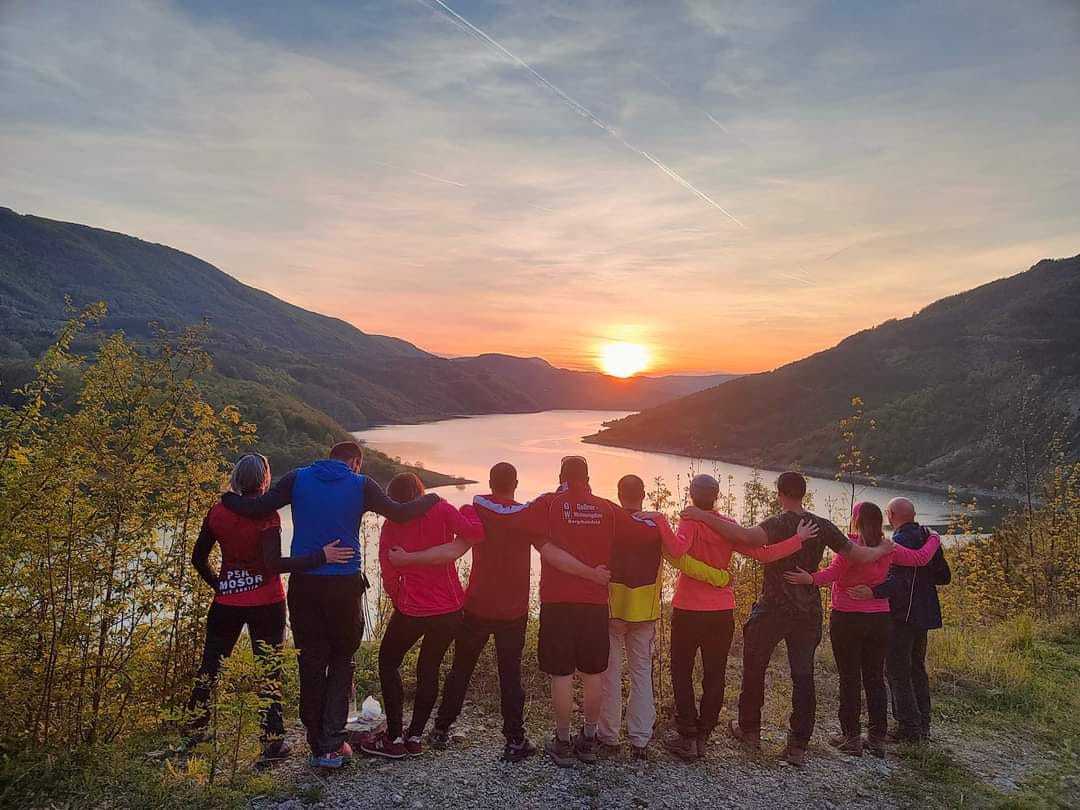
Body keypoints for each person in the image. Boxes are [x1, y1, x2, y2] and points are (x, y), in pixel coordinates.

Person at [221, 441, 440, 769]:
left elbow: (256, 507)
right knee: (341, 660)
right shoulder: (361, 484)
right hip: (343, 588)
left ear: (330, 457)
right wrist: (434, 499)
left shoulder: (297, 478)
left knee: (310, 661)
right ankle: (333, 745)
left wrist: (226, 498)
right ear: (355, 462)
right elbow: (400, 512)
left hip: (305, 586)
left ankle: (316, 743)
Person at [471, 456, 674, 767]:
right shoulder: (606, 508)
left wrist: (476, 502)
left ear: (561, 477)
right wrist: (657, 518)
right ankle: (589, 739)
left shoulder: (549, 503)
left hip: (557, 602)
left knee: (562, 674)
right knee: (594, 673)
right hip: (594, 603)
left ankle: (563, 741)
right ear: (588, 478)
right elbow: (644, 531)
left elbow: (508, 518)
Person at [681, 471, 894, 766]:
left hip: (773, 607)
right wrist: (883, 547)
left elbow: (743, 536)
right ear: (803, 494)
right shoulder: (821, 525)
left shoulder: (778, 523)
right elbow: (858, 555)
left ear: (780, 493)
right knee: (803, 675)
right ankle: (797, 745)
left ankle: (750, 730)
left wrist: (701, 515)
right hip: (807, 611)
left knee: (754, 667)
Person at [187, 453, 355, 760]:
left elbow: (198, 558)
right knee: (268, 671)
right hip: (266, 604)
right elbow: (273, 564)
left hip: (226, 604)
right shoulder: (267, 517)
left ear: (236, 478)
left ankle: (194, 730)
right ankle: (272, 742)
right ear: (264, 480)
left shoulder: (218, 512)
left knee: (210, 666)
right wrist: (320, 557)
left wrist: (221, 585)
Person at [389, 462, 540, 763]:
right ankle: (515, 740)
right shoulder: (527, 516)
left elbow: (452, 552)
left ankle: (441, 729)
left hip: (476, 606)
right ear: (515, 483)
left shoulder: (474, 511)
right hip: (513, 610)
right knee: (510, 675)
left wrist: (408, 559)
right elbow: (550, 548)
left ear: (490, 482)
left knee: (460, 669)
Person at [663, 474, 818, 761]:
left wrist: (659, 524)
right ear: (717, 496)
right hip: (721, 612)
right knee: (715, 673)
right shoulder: (728, 526)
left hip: (688, 609)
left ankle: (687, 735)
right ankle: (703, 734)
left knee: (682, 671)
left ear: (691, 493)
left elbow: (676, 550)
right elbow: (765, 555)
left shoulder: (690, 520)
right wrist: (797, 540)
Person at [785, 501, 942, 756]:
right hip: (880, 620)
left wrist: (809, 578)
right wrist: (934, 537)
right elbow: (920, 558)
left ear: (856, 520)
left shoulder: (850, 546)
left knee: (850, 678)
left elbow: (832, 574)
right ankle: (877, 737)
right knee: (875, 678)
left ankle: (851, 737)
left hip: (847, 618)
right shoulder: (888, 547)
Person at [598, 474, 731, 761]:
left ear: (619, 494)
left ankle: (608, 735)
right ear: (643, 495)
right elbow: (682, 560)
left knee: (610, 673)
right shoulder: (655, 526)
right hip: (644, 613)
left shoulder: (609, 522)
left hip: (611, 610)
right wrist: (719, 577)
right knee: (641, 673)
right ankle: (640, 738)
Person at [360, 473, 484, 759]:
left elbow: (389, 572)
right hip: (449, 609)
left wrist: (400, 599)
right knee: (429, 667)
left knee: (388, 662)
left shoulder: (392, 524)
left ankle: (394, 737)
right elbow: (475, 533)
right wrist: (468, 510)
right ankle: (414, 737)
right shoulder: (441, 509)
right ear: (420, 490)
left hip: (412, 610)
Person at [855, 497, 951, 743]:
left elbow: (897, 581)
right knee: (916, 668)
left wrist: (874, 592)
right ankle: (922, 724)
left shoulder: (898, 542)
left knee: (897, 670)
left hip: (902, 614)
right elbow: (944, 576)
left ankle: (908, 728)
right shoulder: (928, 538)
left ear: (891, 515)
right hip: (924, 614)